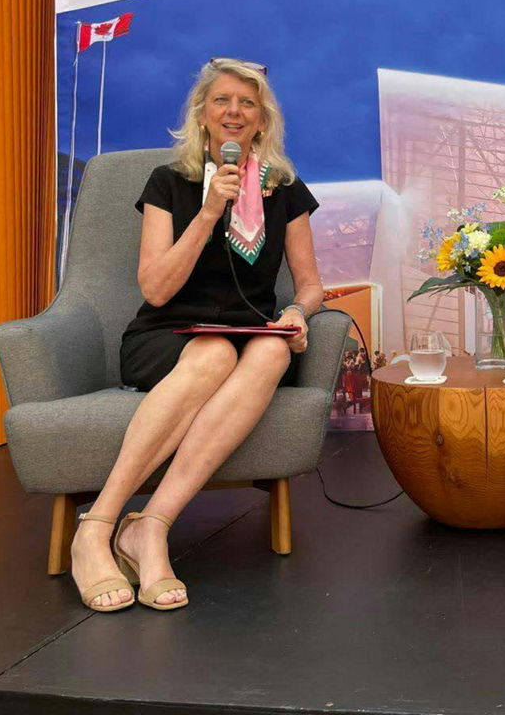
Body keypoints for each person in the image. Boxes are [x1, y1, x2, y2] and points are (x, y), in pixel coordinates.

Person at [68, 58, 322, 612]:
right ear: (202, 116)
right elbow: (156, 289)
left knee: (270, 351)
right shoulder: (168, 183)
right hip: (165, 335)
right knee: (211, 354)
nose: (234, 111)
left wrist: (299, 314)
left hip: (249, 336)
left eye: (247, 103)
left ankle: (151, 527)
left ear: (262, 121)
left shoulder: (285, 188)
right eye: (222, 101)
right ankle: (98, 527)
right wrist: (208, 214)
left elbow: (310, 286)